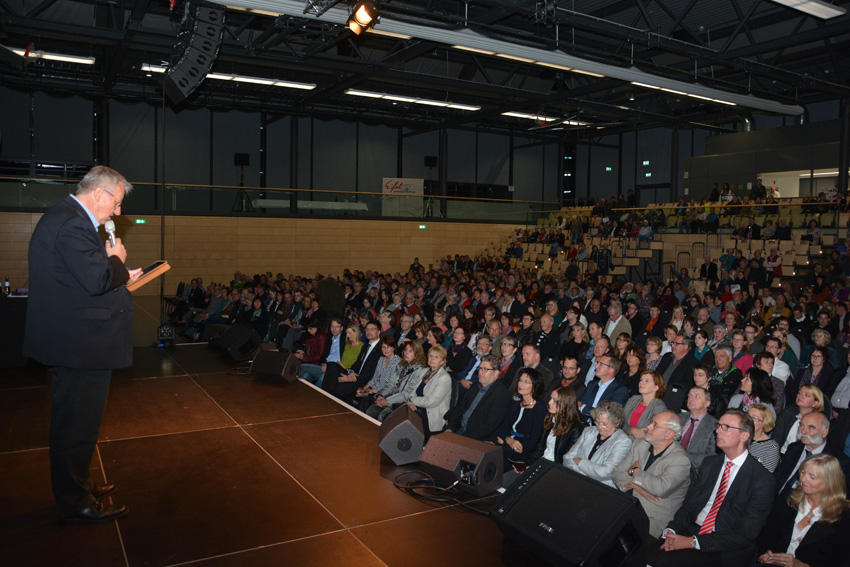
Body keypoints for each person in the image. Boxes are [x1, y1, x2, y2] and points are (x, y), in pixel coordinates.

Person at [23, 165, 142, 523]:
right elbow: (97, 278)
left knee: (76, 425)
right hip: (80, 345)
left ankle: (81, 484)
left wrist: (117, 270)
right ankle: (76, 504)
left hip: (76, 342)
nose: (118, 212)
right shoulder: (74, 223)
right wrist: (117, 260)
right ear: (100, 194)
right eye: (117, 203)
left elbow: (83, 278)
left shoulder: (67, 217)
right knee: (77, 427)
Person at [649, 409, 776, 567]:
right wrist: (672, 530)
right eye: (718, 425)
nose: (717, 431)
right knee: (645, 553)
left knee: (665, 561)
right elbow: (689, 505)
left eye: (726, 427)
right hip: (693, 529)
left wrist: (692, 542)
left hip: (724, 545)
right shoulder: (711, 463)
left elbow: (745, 534)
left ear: (744, 436)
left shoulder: (762, 479)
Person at [757, 454, 850, 567]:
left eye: (812, 477)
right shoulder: (788, 498)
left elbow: (840, 560)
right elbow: (768, 533)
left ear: (829, 482)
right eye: (803, 472)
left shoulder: (843, 515)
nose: (803, 479)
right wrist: (764, 553)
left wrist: (801, 565)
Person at [612, 411, 691, 538]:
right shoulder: (641, 443)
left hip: (651, 518)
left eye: (655, 425)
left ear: (669, 434)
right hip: (626, 504)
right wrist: (635, 485)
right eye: (651, 422)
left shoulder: (680, 460)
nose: (648, 427)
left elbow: (660, 489)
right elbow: (617, 472)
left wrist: (635, 472)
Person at [563, 400, 631, 488]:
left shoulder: (623, 441)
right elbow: (567, 458)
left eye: (604, 424)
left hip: (600, 487)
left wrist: (580, 461)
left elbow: (605, 472)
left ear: (617, 424)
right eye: (597, 422)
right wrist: (584, 476)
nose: (599, 427)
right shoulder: (589, 431)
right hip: (576, 480)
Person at [444, 354, 511, 442]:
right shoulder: (475, 387)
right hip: (460, 430)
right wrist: (450, 428)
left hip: (476, 439)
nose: (480, 372)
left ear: (496, 373)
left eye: (485, 369)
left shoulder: (501, 395)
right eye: (480, 368)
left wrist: (461, 438)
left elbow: (488, 427)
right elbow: (461, 410)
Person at [496, 368, 548, 471]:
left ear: (535, 386)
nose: (521, 384)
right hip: (508, 445)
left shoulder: (540, 410)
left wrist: (506, 440)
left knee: (492, 451)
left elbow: (532, 443)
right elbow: (503, 428)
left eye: (526, 382)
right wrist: (509, 440)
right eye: (520, 380)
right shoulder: (515, 405)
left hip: (522, 452)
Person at [526, 387, 584, 465]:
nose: (549, 402)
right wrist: (526, 463)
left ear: (566, 404)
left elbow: (567, 460)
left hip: (555, 468)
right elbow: (539, 447)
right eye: (551, 398)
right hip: (543, 461)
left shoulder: (575, 428)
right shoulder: (550, 418)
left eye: (555, 401)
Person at [405, 345, 453, 434]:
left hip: (431, 414)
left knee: (404, 421)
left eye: (436, 357)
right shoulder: (424, 371)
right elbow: (412, 391)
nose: (432, 359)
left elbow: (430, 402)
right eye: (430, 356)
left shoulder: (444, 378)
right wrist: (410, 403)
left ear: (442, 361)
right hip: (417, 407)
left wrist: (412, 400)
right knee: (397, 414)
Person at [679, 386, 719, 473]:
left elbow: (712, 456)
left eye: (696, 396)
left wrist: (680, 457)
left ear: (707, 403)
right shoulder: (679, 418)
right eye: (689, 396)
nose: (691, 399)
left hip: (693, 471)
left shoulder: (714, 425)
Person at [623, 370, 668, 439]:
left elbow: (654, 432)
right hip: (623, 438)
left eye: (647, 381)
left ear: (656, 387)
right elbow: (620, 421)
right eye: (641, 380)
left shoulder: (659, 408)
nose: (641, 383)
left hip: (640, 444)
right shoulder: (634, 399)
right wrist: (631, 430)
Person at [746, 403, 780, 472]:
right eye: (747, 416)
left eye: (754, 418)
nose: (748, 420)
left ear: (764, 423)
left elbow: (765, 476)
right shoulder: (739, 437)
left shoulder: (771, 446)